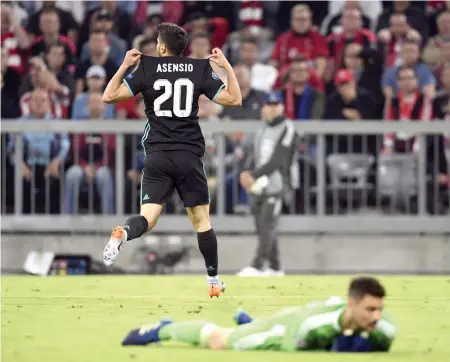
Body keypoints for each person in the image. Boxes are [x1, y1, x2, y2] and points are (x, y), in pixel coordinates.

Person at [101, 23, 242, 297]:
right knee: (202, 222)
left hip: (157, 156)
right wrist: (226, 68)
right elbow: (234, 99)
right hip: (188, 155)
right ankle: (213, 281)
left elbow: (108, 96)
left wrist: (124, 66)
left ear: (162, 47)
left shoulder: (146, 67)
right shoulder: (199, 68)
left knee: (148, 217)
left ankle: (125, 233)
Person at [122, 277, 397, 353]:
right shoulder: (316, 327)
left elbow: (387, 333)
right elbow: (300, 340)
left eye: (379, 309)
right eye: (370, 309)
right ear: (352, 304)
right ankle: (162, 329)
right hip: (282, 332)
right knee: (220, 339)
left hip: (297, 314)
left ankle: (252, 324)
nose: (376, 316)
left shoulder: (383, 327)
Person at [237, 91, 300, 277]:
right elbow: (254, 156)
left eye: (276, 105)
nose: (272, 109)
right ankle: (275, 266)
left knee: (267, 223)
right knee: (261, 224)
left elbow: (279, 159)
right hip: (260, 184)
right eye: (269, 105)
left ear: (281, 107)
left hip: (278, 183)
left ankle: (257, 264)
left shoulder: (288, 128)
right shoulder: (261, 130)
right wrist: (246, 173)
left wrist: (253, 175)